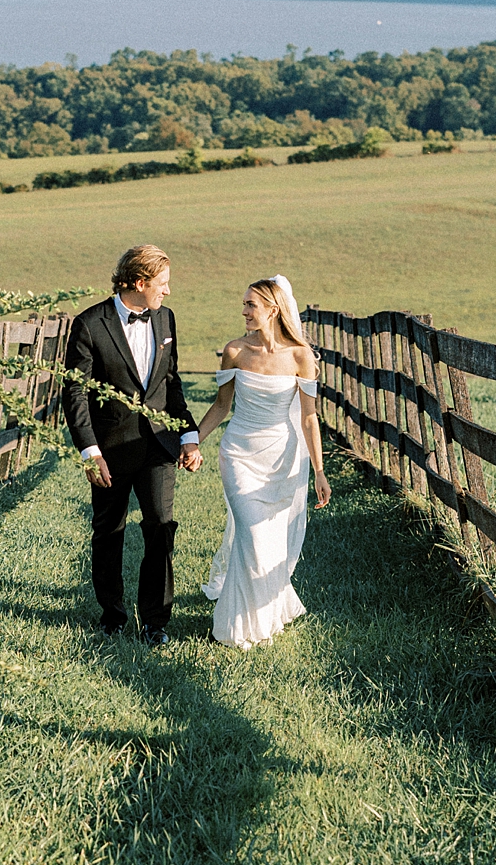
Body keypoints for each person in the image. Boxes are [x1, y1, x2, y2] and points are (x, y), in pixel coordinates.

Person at [62, 244, 202, 644]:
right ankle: (112, 615)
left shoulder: (166, 319)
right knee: (110, 530)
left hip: (159, 445)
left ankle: (155, 622)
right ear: (139, 283)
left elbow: (170, 383)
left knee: (160, 525)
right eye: (162, 284)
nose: (168, 292)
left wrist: (188, 436)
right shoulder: (90, 324)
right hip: (109, 450)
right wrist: (90, 452)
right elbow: (75, 394)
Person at [195, 275, 331, 648]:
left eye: (250, 305)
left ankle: (262, 621)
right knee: (253, 535)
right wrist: (193, 441)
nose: (243, 311)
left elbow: (307, 417)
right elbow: (221, 406)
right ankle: (234, 629)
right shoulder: (235, 351)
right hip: (239, 454)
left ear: (273, 308)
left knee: (269, 544)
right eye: (243, 304)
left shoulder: (301, 356)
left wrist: (319, 471)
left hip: (282, 460)